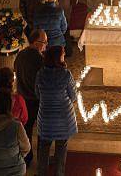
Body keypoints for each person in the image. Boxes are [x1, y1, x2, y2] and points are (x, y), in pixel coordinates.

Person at [35, 46, 78, 176]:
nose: (64, 56)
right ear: (58, 58)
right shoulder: (65, 74)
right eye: (63, 54)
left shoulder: (40, 74)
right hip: (63, 120)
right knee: (61, 147)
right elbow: (74, 96)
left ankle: (42, 172)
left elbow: (37, 94)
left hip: (46, 118)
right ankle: (59, 173)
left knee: (44, 147)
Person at [14, 29, 47, 165]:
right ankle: (41, 159)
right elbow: (43, 81)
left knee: (26, 129)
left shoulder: (20, 55)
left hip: (23, 98)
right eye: (44, 42)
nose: (46, 45)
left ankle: (27, 158)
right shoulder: (40, 60)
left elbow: (16, 70)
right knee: (41, 130)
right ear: (35, 42)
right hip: (36, 100)